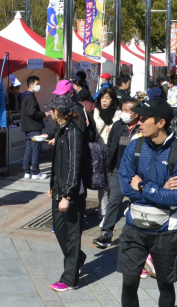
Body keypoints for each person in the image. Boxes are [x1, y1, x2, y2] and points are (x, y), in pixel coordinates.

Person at [118, 98, 177, 307]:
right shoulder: (135, 146)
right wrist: (160, 191)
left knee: (165, 286)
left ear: (161, 122)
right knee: (129, 283)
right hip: (134, 226)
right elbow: (126, 188)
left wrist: (144, 187)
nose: (138, 122)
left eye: (143, 118)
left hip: (165, 230)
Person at [47, 95, 87, 292]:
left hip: (71, 194)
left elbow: (74, 166)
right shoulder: (61, 131)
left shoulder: (73, 133)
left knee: (71, 235)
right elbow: (58, 164)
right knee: (58, 228)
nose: (49, 113)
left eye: (51, 110)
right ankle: (77, 258)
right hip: (59, 190)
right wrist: (53, 186)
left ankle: (70, 279)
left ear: (56, 113)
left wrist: (67, 195)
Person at [93, 99, 141, 248]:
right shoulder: (118, 125)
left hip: (138, 173)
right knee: (114, 200)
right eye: (123, 110)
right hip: (118, 169)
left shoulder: (142, 127)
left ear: (137, 113)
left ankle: (138, 235)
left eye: (128, 111)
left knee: (137, 202)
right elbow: (111, 146)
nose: (124, 113)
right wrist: (108, 164)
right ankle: (106, 234)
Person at [93, 87, 121, 220]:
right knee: (103, 183)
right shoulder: (96, 111)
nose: (104, 101)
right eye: (102, 98)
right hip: (100, 150)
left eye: (108, 98)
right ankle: (104, 211)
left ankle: (111, 208)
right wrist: (103, 120)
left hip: (113, 150)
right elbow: (96, 130)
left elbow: (117, 131)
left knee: (112, 182)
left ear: (113, 99)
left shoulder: (118, 113)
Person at [21, 76, 50, 180]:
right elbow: (32, 112)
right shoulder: (30, 97)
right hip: (33, 126)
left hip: (28, 127)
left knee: (29, 149)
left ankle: (27, 172)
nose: (38, 86)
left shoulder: (24, 96)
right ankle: (35, 172)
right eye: (37, 84)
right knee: (35, 150)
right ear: (31, 85)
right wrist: (44, 114)